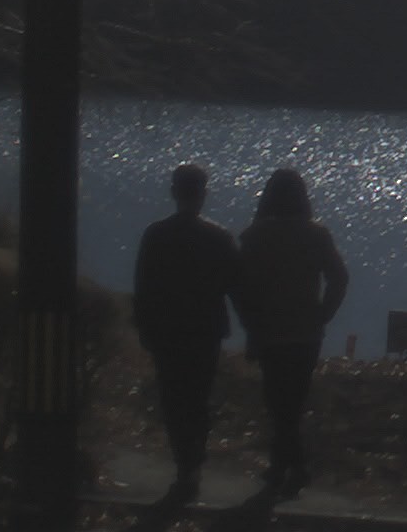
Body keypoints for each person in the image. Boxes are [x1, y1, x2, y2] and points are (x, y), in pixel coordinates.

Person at [233, 167, 350, 496]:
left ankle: (286, 467)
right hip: (306, 333)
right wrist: (323, 314)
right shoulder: (317, 234)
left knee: (277, 401)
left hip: (269, 331)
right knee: (292, 402)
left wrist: (250, 323)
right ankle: (288, 467)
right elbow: (339, 278)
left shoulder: (254, 237)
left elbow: (240, 287)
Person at [131, 164, 238, 502]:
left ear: (175, 192)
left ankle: (185, 461)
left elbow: (143, 286)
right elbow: (235, 283)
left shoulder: (156, 234)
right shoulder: (218, 236)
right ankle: (192, 462)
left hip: (168, 329)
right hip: (204, 329)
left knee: (174, 397)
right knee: (197, 397)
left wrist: (144, 326)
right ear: (203, 194)